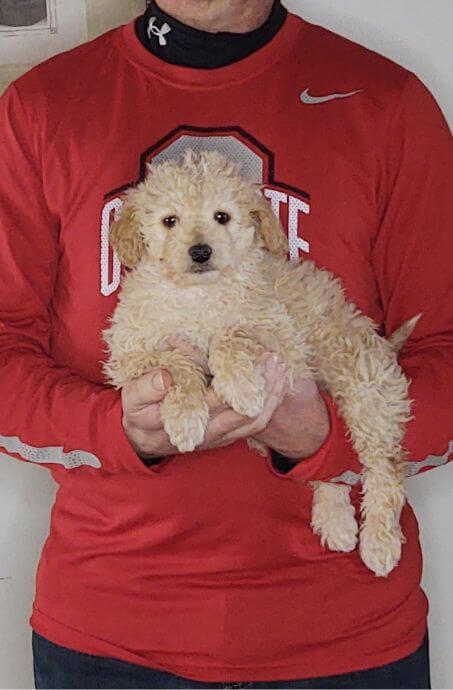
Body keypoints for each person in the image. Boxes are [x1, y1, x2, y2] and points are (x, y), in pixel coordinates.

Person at [0, 0, 451, 687]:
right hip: (110, 634)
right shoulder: (40, 107)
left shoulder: (384, 102)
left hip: (345, 635)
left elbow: (443, 345)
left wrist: (321, 439)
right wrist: (117, 430)